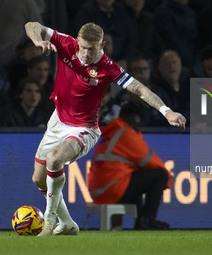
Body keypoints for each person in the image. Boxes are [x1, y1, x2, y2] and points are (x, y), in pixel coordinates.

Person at [24, 21, 186, 236]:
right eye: (82, 47)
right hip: (57, 122)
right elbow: (32, 24)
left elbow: (139, 89)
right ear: (78, 41)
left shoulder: (108, 67)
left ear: (102, 45)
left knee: (55, 159)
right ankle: (68, 223)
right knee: (38, 179)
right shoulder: (66, 43)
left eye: (91, 49)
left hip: (83, 129)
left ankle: (49, 222)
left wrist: (167, 111)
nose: (85, 53)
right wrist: (38, 40)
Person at [89, 104, 172, 229]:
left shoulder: (112, 132)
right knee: (160, 175)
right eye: (135, 124)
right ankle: (147, 220)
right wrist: (168, 179)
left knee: (135, 176)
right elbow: (151, 160)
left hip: (99, 190)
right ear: (126, 119)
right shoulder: (125, 133)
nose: (137, 128)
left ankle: (134, 223)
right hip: (111, 188)